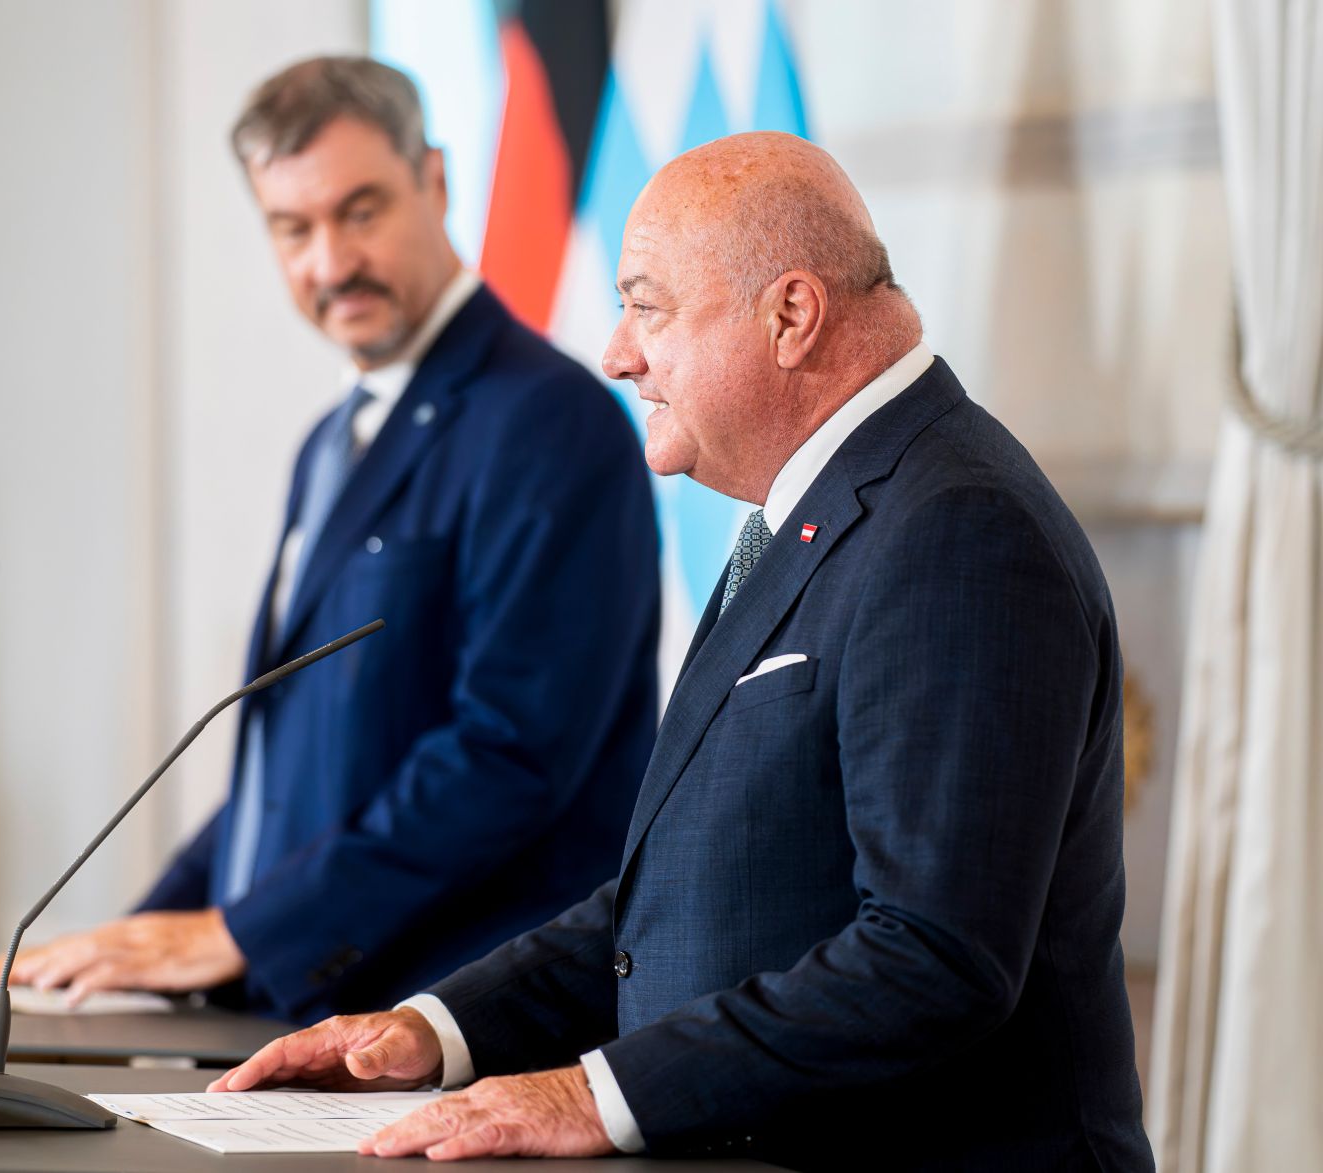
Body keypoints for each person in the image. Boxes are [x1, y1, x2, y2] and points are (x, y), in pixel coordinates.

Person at [207, 131, 1156, 1171]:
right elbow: (683, 892)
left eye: (646, 306)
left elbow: (931, 957)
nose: (616, 353)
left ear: (789, 316)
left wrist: (589, 1094)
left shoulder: (955, 527)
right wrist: (434, 1031)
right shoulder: (816, 510)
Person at [0, 57, 659, 1025]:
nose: (329, 263)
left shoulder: (547, 422)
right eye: (292, 228)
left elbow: (508, 755)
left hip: (461, 1026)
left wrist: (243, 933)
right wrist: (136, 939)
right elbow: (286, 769)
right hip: (312, 1011)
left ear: (436, 182)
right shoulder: (331, 442)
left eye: (359, 211)